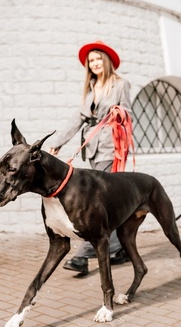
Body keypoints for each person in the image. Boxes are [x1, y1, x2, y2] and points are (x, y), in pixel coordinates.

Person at [48, 40, 131, 275]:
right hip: (92, 149)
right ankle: (116, 249)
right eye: (90, 61)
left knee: (95, 202)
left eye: (97, 59)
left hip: (110, 148)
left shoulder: (120, 84)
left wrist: (119, 113)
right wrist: (58, 143)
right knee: (105, 201)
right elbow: (78, 118)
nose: (94, 64)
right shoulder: (92, 88)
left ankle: (82, 256)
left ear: (105, 61)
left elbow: (128, 112)